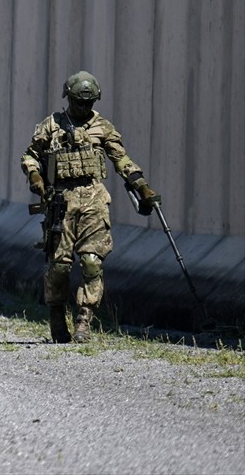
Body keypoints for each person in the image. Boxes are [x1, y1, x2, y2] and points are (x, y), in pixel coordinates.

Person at [22, 71, 161, 343]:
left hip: (94, 200)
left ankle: (84, 321)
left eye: (89, 103)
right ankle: (56, 316)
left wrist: (142, 187)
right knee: (60, 266)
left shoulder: (102, 127)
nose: (84, 107)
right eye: (79, 102)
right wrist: (35, 176)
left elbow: (122, 160)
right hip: (61, 201)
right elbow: (30, 155)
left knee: (92, 262)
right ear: (69, 98)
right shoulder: (52, 125)